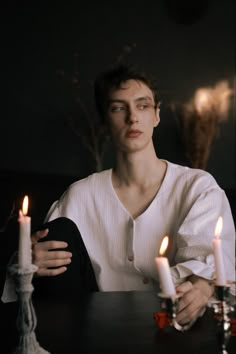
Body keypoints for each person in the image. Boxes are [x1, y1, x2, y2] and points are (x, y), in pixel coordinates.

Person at [2, 64, 235, 326]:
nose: (132, 117)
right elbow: (45, 276)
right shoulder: (79, 196)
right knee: (60, 231)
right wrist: (29, 261)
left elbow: (208, 263)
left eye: (143, 105)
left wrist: (202, 285)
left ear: (157, 115)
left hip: (174, 327)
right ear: (105, 121)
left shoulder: (197, 187)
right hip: (92, 331)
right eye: (118, 108)